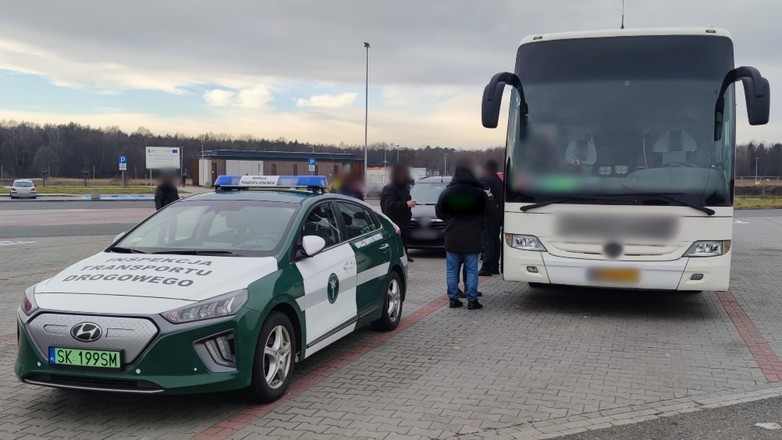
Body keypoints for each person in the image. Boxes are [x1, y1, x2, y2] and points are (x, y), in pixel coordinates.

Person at [436, 165, 495, 310]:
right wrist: (490, 198)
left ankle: (453, 299)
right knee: (472, 270)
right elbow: (491, 211)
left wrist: (450, 220)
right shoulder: (479, 193)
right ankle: (472, 300)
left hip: (452, 237)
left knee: (451, 270)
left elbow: (439, 213)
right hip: (473, 238)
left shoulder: (447, 192)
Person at [381, 165, 416, 262]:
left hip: (404, 221)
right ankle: (397, 257)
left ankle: (405, 255)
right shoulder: (390, 189)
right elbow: (390, 205)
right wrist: (406, 204)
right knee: (396, 241)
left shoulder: (404, 188)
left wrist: (409, 204)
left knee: (404, 239)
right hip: (394, 221)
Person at [479, 159, 504, 276]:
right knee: (495, 241)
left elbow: (483, 198)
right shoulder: (499, 180)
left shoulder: (487, 181)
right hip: (498, 216)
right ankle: (495, 266)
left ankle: (487, 267)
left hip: (488, 216)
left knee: (488, 242)